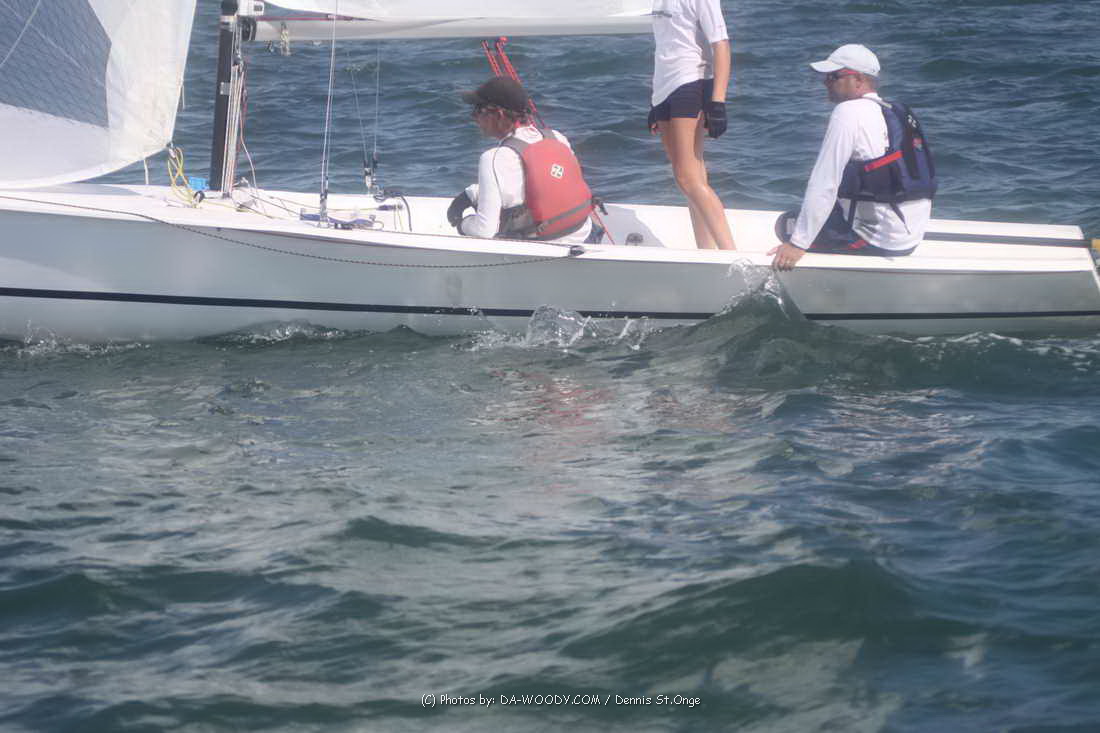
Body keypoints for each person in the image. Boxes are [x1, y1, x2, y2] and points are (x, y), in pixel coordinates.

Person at [770, 44, 936, 270]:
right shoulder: (895, 111)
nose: (826, 82)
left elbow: (825, 182)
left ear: (858, 79)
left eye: (833, 76)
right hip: (910, 236)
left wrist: (797, 244)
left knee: (786, 225)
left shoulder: (848, 112)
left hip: (877, 241)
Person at [447, 76, 593, 244]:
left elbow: (484, 230)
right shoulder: (557, 138)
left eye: (478, 110)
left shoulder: (493, 158)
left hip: (546, 247)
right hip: (585, 234)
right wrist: (473, 193)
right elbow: (538, 185)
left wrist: (462, 224)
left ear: (499, 114)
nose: (473, 117)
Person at [648, 0, 736, 251]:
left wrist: (717, 101)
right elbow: (665, 45)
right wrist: (654, 103)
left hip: (691, 81)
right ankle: (705, 250)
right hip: (663, 87)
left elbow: (721, 44)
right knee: (690, 176)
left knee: (687, 177)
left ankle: (731, 254)